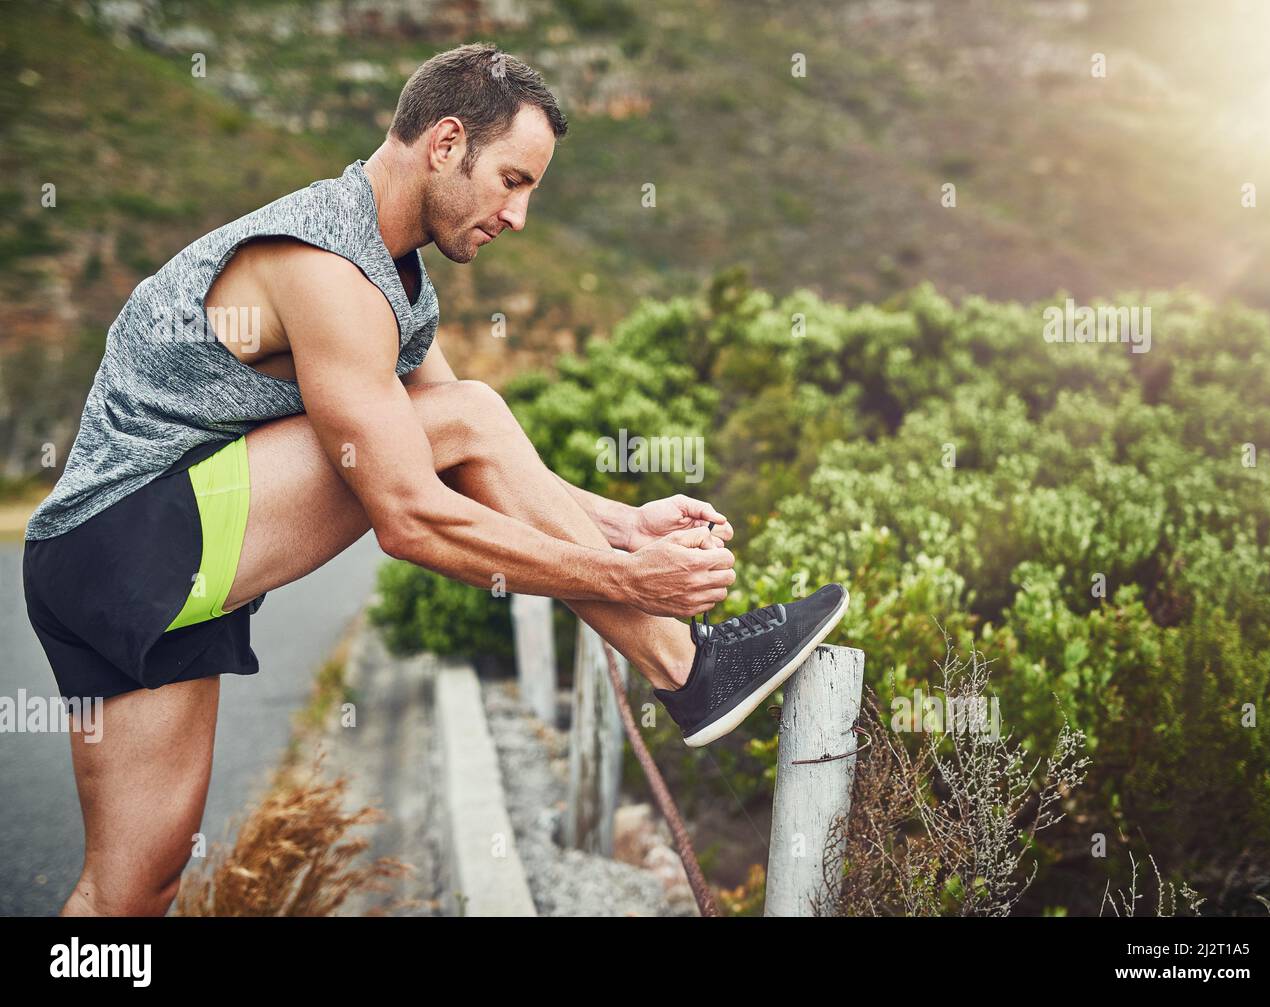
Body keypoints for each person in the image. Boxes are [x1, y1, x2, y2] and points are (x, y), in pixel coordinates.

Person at [22, 42, 848, 917]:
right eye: (514, 179)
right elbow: (412, 515)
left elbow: (487, 464)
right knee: (474, 413)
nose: (519, 215)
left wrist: (624, 523)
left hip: (115, 570)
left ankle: (689, 668)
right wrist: (627, 580)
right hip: (129, 538)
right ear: (447, 142)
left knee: (132, 887)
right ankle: (686, 667)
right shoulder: (329, 265)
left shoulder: (401, 285)